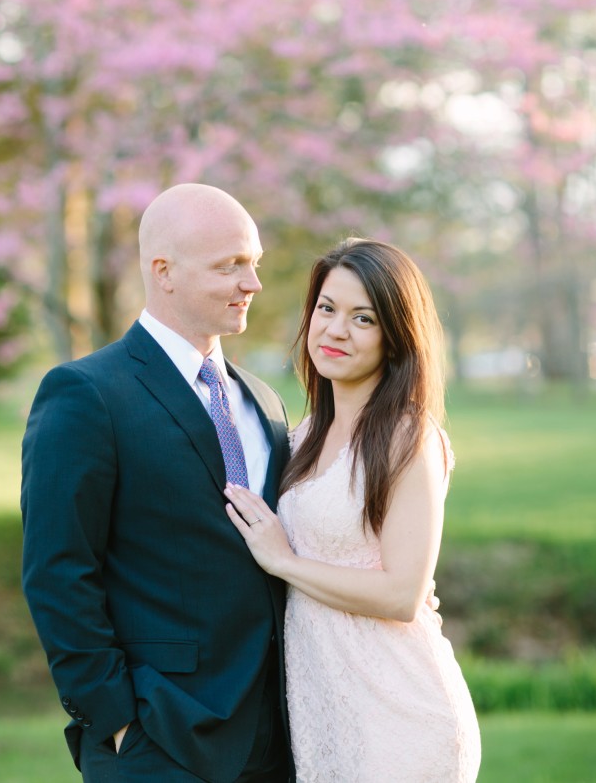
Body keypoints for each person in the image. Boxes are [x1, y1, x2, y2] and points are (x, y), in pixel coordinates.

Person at [21, 183, 292, 782]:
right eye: (231, 266)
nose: (253, 284)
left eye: (255, 264)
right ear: (162, 272)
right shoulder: (85, 394)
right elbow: (58, 571)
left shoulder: (264, 400)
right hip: (156, 739)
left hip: (277, 737)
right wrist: (115, 719)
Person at [225, 238, 481, 782]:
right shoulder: (302, 436)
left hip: (401, 712)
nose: (335, 330)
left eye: (363, 318)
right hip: (324, 714)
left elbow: (402, 595)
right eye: (326, 308)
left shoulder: (407, 436)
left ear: (395, 337)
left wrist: (284, 562)